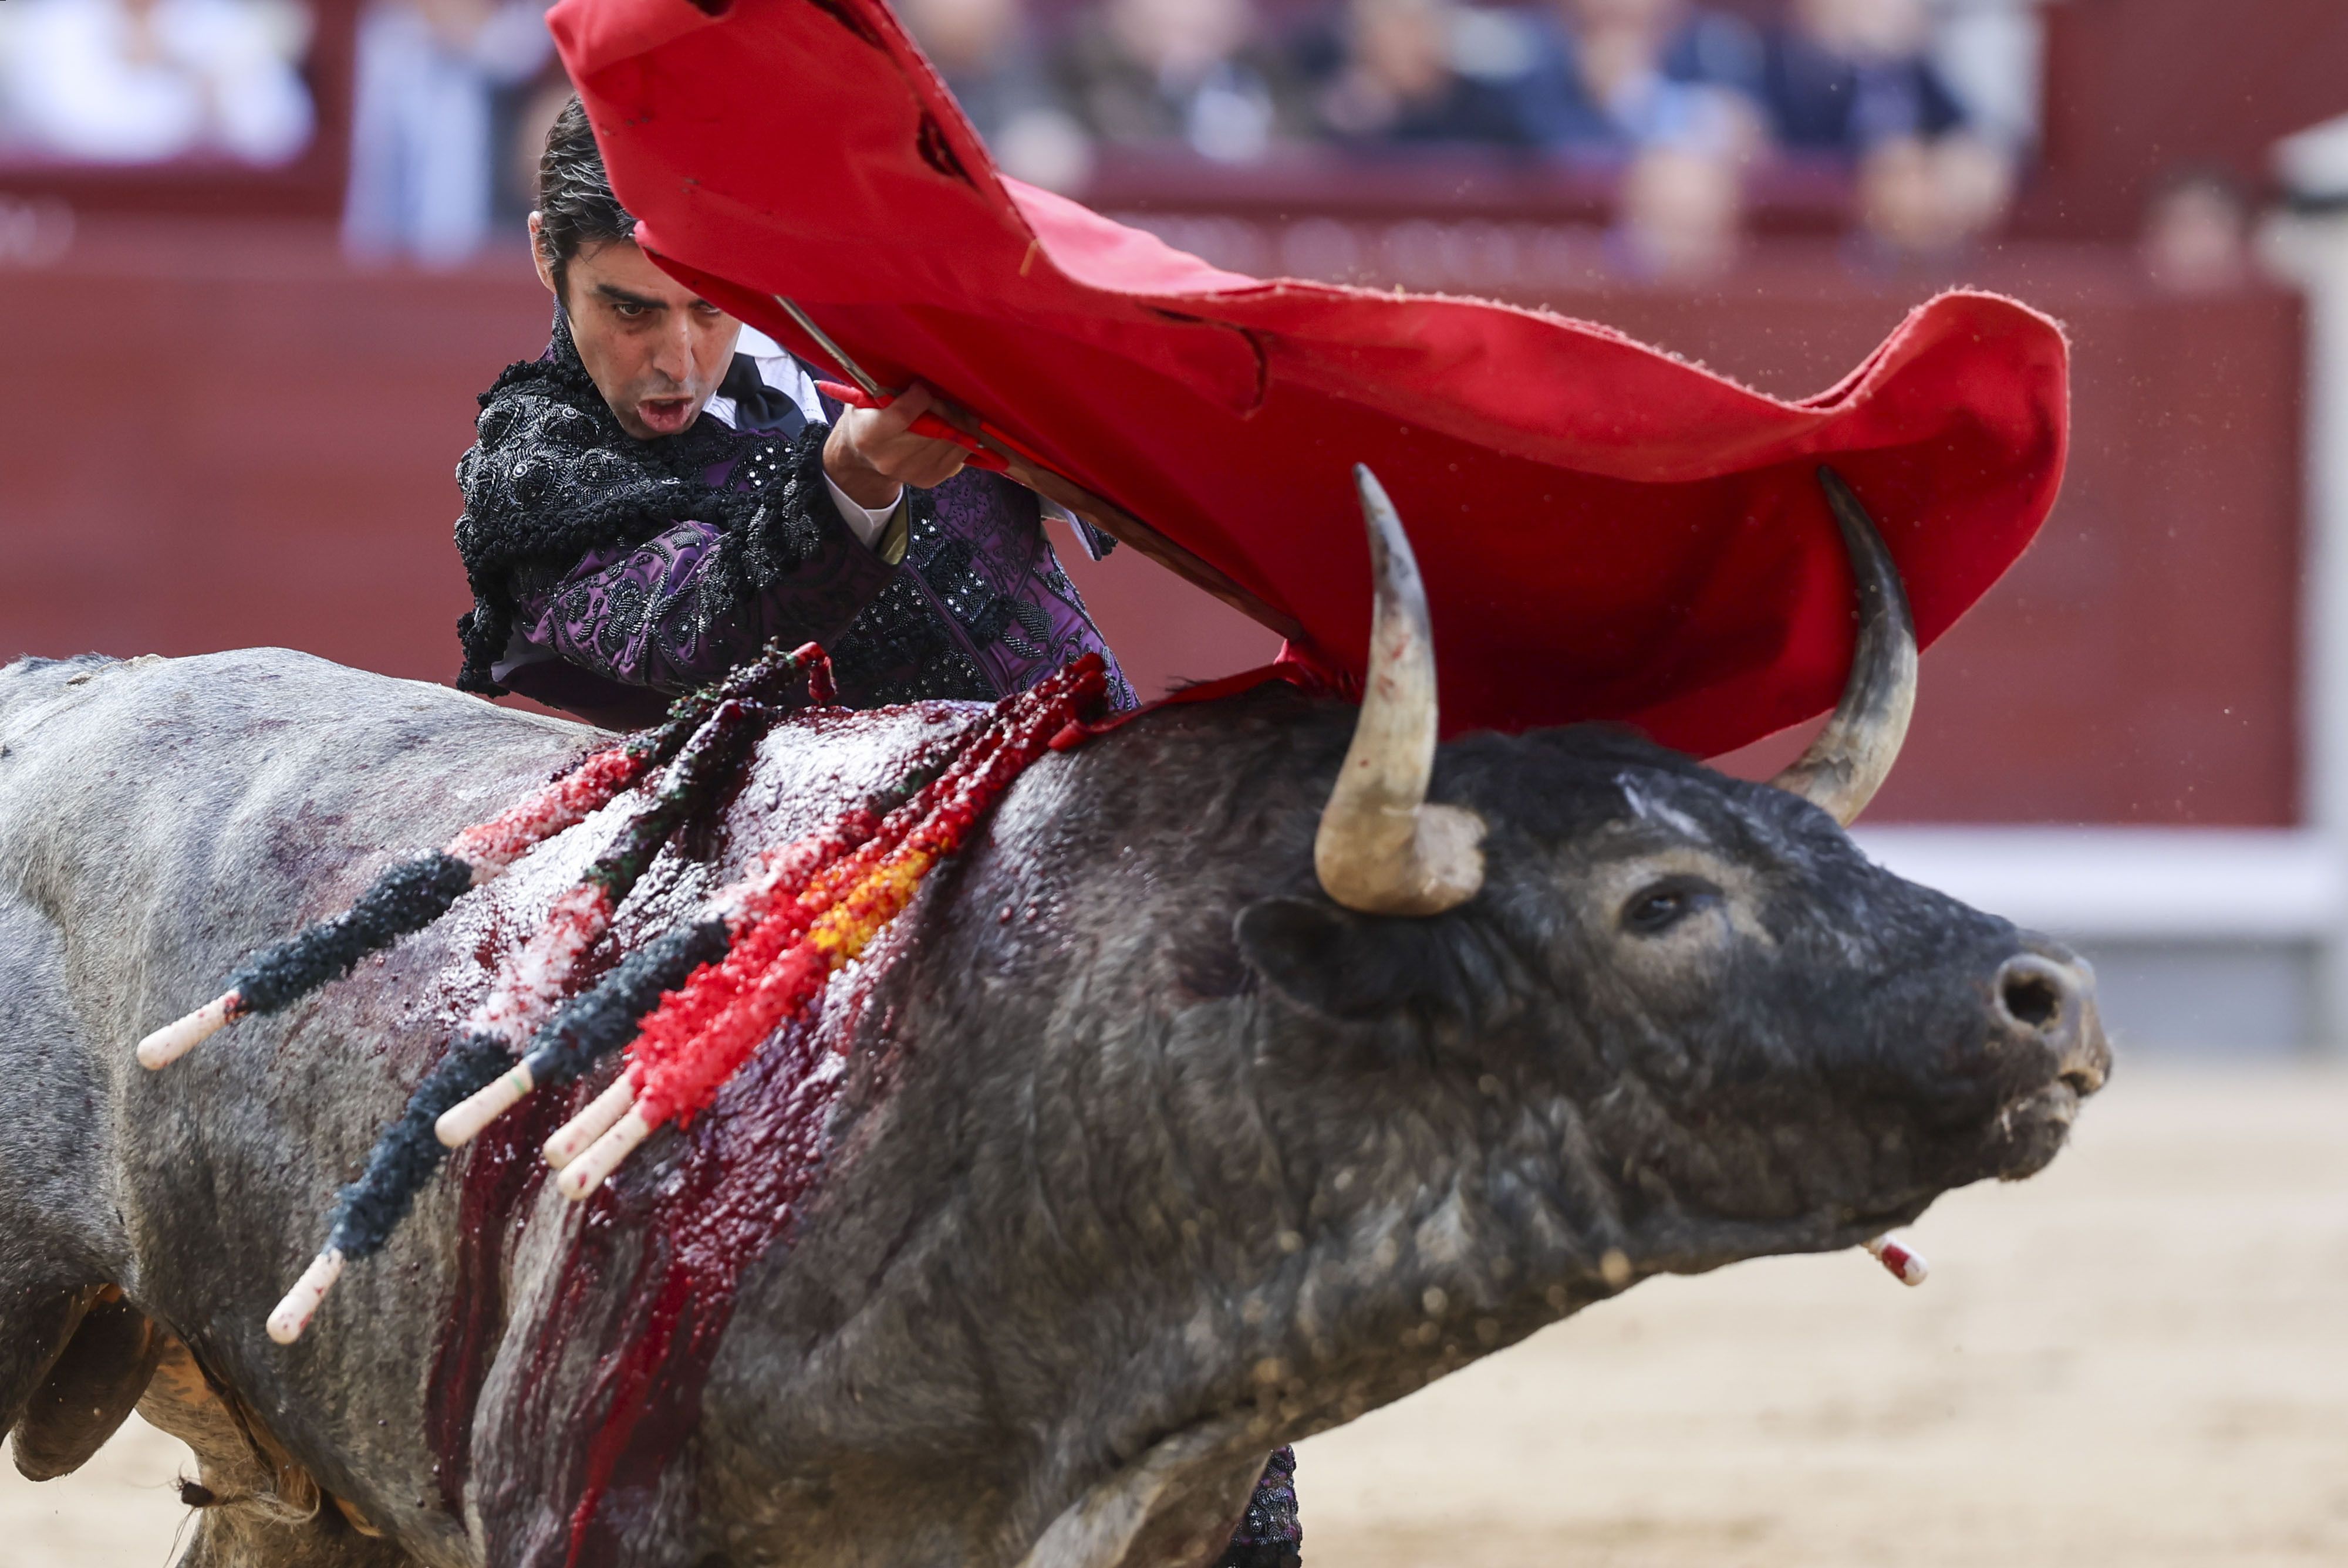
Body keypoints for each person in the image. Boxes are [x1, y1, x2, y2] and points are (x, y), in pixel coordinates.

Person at [454, 97, 1137, 731]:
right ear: (545, 253)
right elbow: (688, 636)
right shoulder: (535, 471)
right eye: (630, 310)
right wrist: (848, 481)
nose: (678, 362)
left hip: (1110, 763)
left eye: (712, 301)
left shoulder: (869, 312)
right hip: (875, 820)